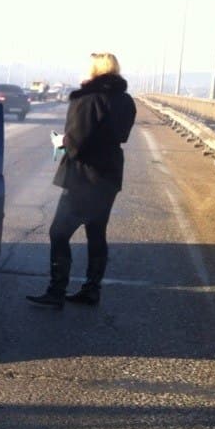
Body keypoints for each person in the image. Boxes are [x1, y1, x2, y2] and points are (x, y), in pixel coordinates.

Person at [26, 52, 137, 309]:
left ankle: (56, 291)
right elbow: (121, 135)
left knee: (59, 233)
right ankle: (91, 290)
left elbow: (76, 144)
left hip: (84, 178)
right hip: (109, 175)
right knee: (96, 233)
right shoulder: (126, 100)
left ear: (96, 70)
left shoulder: (87, 99)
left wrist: (61, 142)